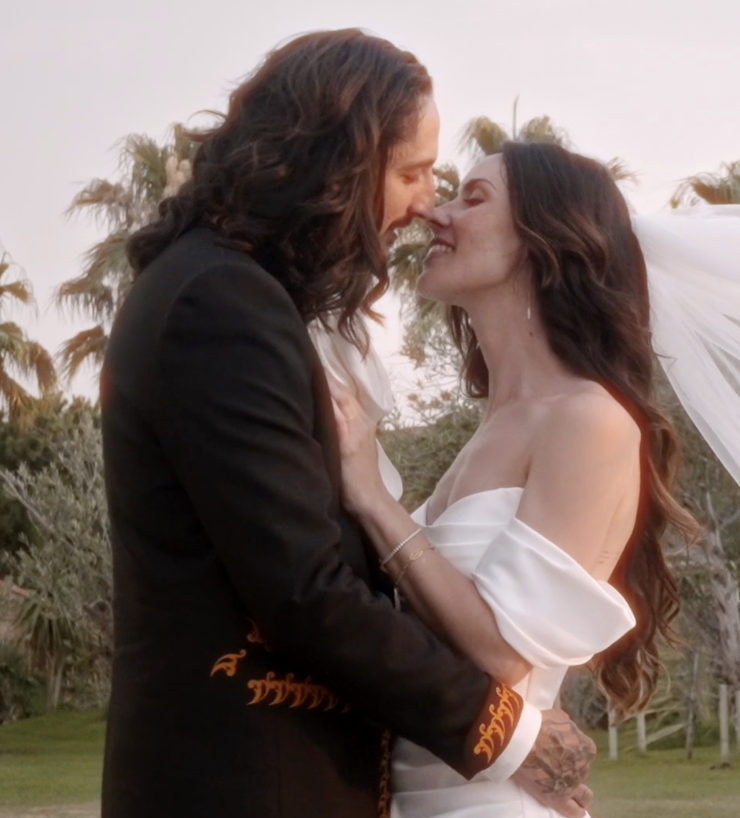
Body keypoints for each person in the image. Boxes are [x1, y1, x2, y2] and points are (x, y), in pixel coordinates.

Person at [99, 30, 595, 818]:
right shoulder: (220, 303)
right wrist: (506, 732)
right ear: (335, 164)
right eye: (410, 173)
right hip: (251, 789)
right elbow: (304, 591)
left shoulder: (226, 290)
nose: (422, 203)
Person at [329, 142, 706, 818]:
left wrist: (371, 499)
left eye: (472, 198)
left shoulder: (591, 420)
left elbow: (504, 654)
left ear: (543, 242)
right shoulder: (492, 428)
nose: (436, 215)